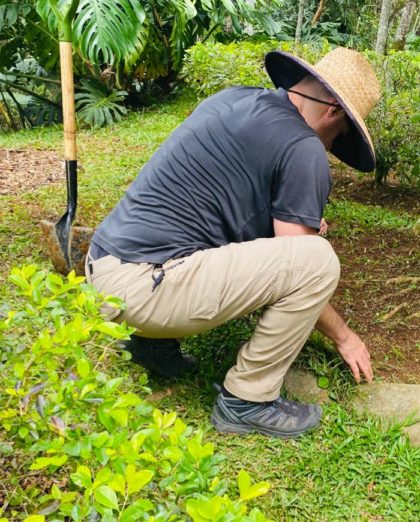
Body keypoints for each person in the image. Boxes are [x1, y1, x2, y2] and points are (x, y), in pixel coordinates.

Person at [85, 47, 380, 438]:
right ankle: (247, 400)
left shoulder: (235, 99)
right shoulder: (303, 147)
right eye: (338, 137)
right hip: (142, 290)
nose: (330, 147)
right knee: (318, 261)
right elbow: (299, 261)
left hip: (103, 267)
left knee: (204, 233)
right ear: (334, 112)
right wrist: (344, 336)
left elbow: (215, 203)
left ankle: (151, 346)